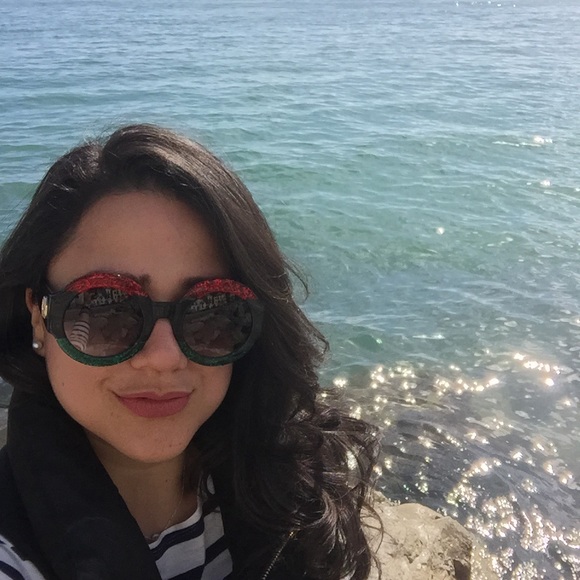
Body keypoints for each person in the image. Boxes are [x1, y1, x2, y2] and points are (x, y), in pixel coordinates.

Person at [0, 124, 380, 580]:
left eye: (212, 309)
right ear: (38, 317)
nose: (164, 357)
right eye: (105, 307)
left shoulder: (290, 475)